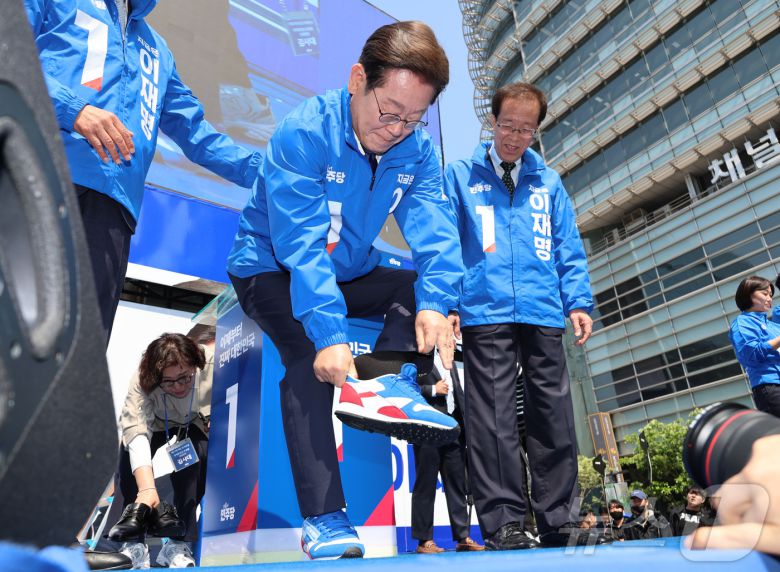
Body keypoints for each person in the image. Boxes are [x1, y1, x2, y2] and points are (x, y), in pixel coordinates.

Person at [226, 21, 463, 560]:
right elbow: (301, 247)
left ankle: (385, 385)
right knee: (310, 353)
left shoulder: (417, 151)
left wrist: (434, 304)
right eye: (389, 112)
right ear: (358, 79)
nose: (398, 128)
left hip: (351, 270)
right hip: (271, 268)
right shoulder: (304, 133)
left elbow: (435, 231)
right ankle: (325, 518)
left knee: (415, 287)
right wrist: (330, 332)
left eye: (414, 117)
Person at [23, 0, 262, 343]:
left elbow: (196, 134)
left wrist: (273, 171)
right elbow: (8, 54)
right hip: (41, 179)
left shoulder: (157, 51)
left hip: (112, 215)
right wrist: (73, 110)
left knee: (83, 346)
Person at [444, 82, 601, 549]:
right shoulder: (460, 175)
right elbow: (446, 245)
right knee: (492, 418)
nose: (514, 136)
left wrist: (577, 301)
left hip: (542, 309)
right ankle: (505, 523)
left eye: (526, 129)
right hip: (483, 308)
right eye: (507, 125)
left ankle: (559, 519)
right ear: (492, 122)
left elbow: (567, 246)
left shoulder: (548, 183)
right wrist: (449, 303)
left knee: (552, 414)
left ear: (536, 131)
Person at [107, 328, 215, 568]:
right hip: (154, 424)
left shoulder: (212, 360)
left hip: (194, 422)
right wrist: (146, 488)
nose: (178, 387)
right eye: (168, 381)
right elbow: (135, 430)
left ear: (195, 365)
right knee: (129, 471)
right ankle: (133, 544)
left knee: (198, 460)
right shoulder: (142, 379)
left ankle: (177, 544)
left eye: (185, 377)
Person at [412, 357, 483, 554]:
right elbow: (406, 389)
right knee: (425, 486)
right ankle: (424, 540)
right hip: (428, 430)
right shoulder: (417, 358)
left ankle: (462, 537)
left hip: (454, 430)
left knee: (457, 485)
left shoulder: (449, 362)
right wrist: (433, 389)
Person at [687, 434, 780, 555]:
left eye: (697, 493)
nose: (693, 496)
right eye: (691, 493)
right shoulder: (676, 514)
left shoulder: (710, 515)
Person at [729, 276, 780, 417]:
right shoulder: (742, 323)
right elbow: (751, 356)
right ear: (748, 294)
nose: (769, 298)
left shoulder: (773, 326)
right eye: (764, 294)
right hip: (770, 387)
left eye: (770, 295)